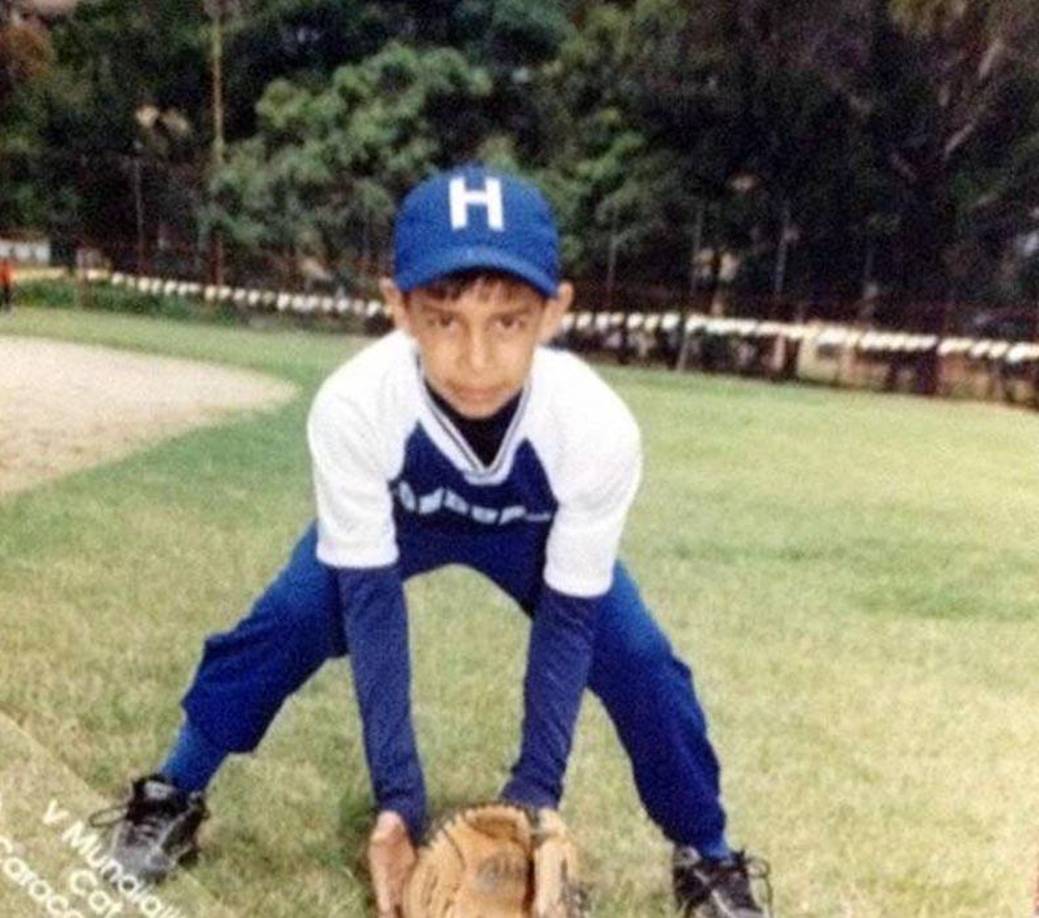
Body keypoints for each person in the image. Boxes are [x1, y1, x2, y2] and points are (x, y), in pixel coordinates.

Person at [96, 165, 770, 917]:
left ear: (554, 314)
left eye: (507, 321)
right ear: (399, 310)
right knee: (292, 615)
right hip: (400, 520)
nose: (475, 358)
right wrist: (399, 803)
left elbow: (569, 620)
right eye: (445, 319)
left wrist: (534, 799)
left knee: (640, 658)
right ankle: (173, 791)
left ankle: (707, 855)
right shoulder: (358, 404)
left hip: (531, 533)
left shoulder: (593, 423)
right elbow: (371, 608)